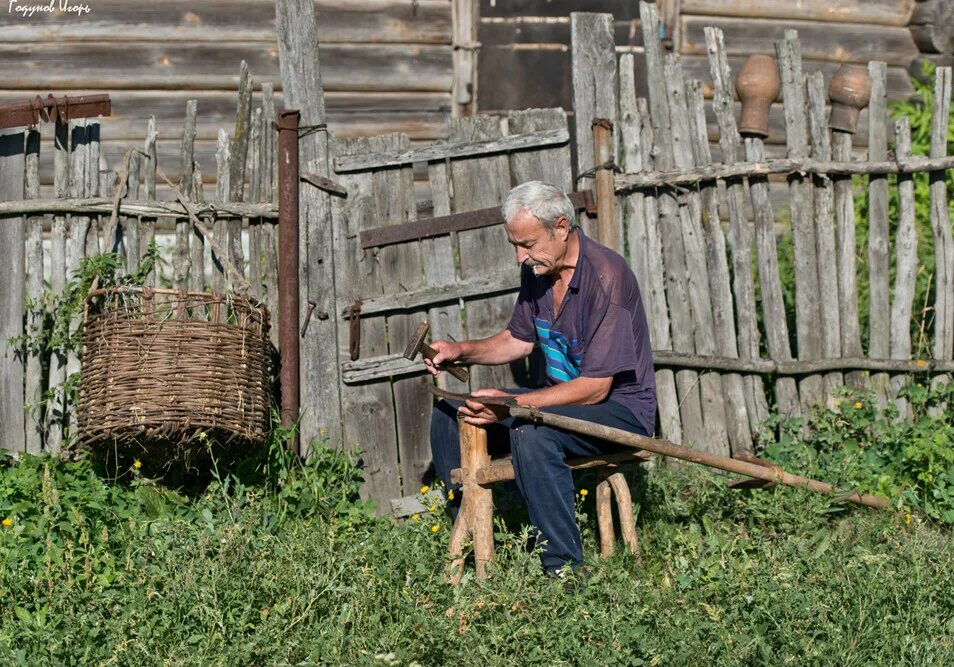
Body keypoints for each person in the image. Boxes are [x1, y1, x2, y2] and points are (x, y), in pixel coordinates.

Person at [426, 180, 656, 576]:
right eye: (514, 245)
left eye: (528, 244)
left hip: (619, 410)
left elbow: (596, 387)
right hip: (565, 402)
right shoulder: (539, 271)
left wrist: (514, 405)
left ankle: (563, 571)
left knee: (531, 432)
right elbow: (518, 339)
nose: (520, 256)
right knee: (451, 411)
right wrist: (460, 350)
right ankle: (473, 537)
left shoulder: (606, 276)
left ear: (561, 227)